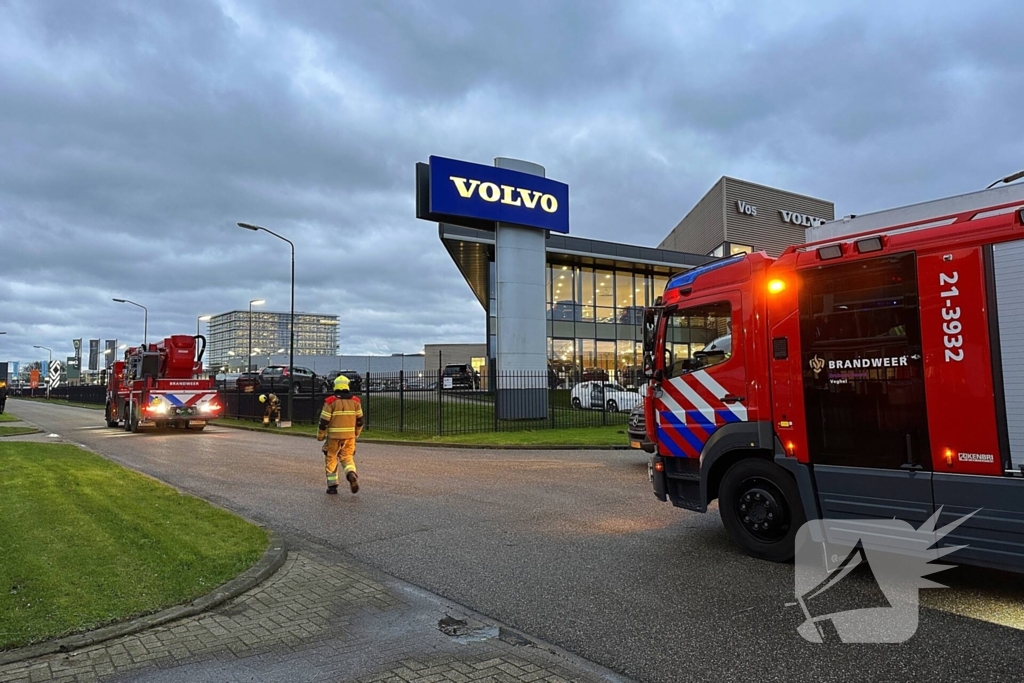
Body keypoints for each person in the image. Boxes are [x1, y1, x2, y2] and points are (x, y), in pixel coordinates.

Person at [317, 374, 363, 495]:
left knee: (331, 458)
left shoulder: (330, 402)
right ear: (348, 386)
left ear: (335, 386)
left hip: (333, 438)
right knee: (347, 458)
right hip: (349, 437)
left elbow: (324, 421)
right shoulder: (356, 401)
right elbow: (360, 421)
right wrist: (356, 433)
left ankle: (332, 487)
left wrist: (320, 435)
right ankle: (351, 474)